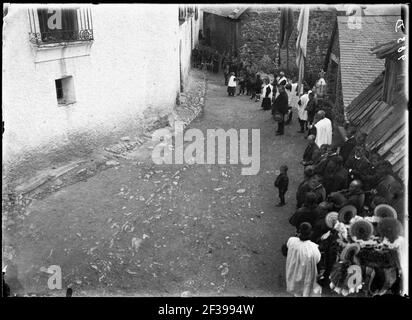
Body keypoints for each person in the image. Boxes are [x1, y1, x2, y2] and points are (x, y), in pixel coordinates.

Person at [285, 222, 322, 297]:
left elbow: (285, 250)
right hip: (306, 275)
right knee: (305, 291)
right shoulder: (313, 249)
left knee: (295, 289)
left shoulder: (291, 241)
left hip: (293, 271)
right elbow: (317, 260)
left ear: (298, 232)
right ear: (310, 233)